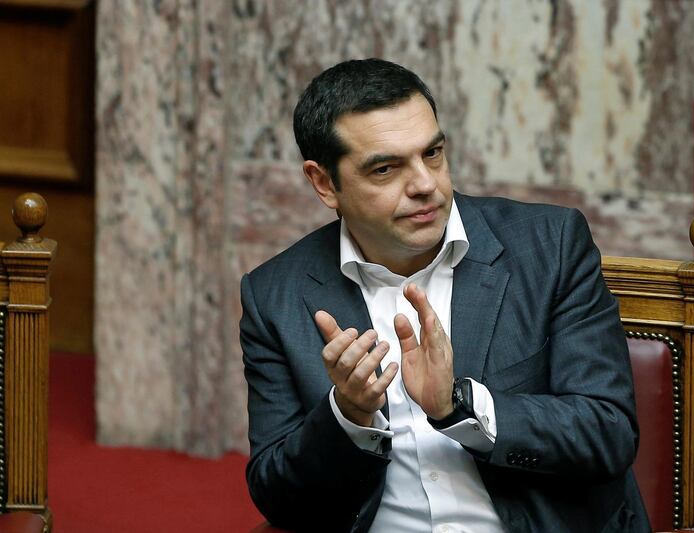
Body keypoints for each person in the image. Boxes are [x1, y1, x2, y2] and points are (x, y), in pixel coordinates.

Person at [240, 58, 650, 532]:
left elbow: (609, 431)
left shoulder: (549, 247)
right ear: (324, 183)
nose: (425, 185)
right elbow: (277, 496)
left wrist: (459, 407)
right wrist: (348, 417)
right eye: (386, 169)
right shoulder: (277, 295)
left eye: (432, 153)